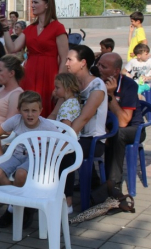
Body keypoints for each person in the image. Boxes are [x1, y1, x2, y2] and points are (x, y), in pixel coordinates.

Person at [0, 91, 60, 228]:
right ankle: (19, 205)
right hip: (17, 155)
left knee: (21, 173)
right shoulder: (16, 120)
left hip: (36, 158)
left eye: (34, 110)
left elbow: (63, 141)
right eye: (26, 110)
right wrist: (0, 155)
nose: (30, 114)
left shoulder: (47, 126)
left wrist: (50, 155)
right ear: (19, 110)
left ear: (41, 110)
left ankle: (12, 210)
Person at [3, 0, 69, 116]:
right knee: (28, 106)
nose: (32, 5)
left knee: (44, 107)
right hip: (31, 72)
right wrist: (6, 29)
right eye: (32, 2)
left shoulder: (57, 27)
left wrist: (59, 83)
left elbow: (64, 58)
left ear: (47, 4)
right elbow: (12, 48)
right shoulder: (30, 28)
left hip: (50, 73)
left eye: (35, 2)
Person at [61, 45, 108, 212]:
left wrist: (64, 140)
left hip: (92, 139)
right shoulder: (72, 84)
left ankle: (67, 202)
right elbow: (58, 110)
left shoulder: (97, 85)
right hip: (75, 134)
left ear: (83, 63)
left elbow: (84, 117)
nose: (66, 63)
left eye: (69, 59)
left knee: (63, 153)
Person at [97, 52, 144, 189]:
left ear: (116, 71)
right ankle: (92, 179)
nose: (99, 68)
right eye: (98, 64)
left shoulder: (129, 85)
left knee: (117, 134)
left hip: (133, 129)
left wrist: (110, 95)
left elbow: (124, 121)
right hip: (109, 126)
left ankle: (114, 186)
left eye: (104, 67)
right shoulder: (97, 82)